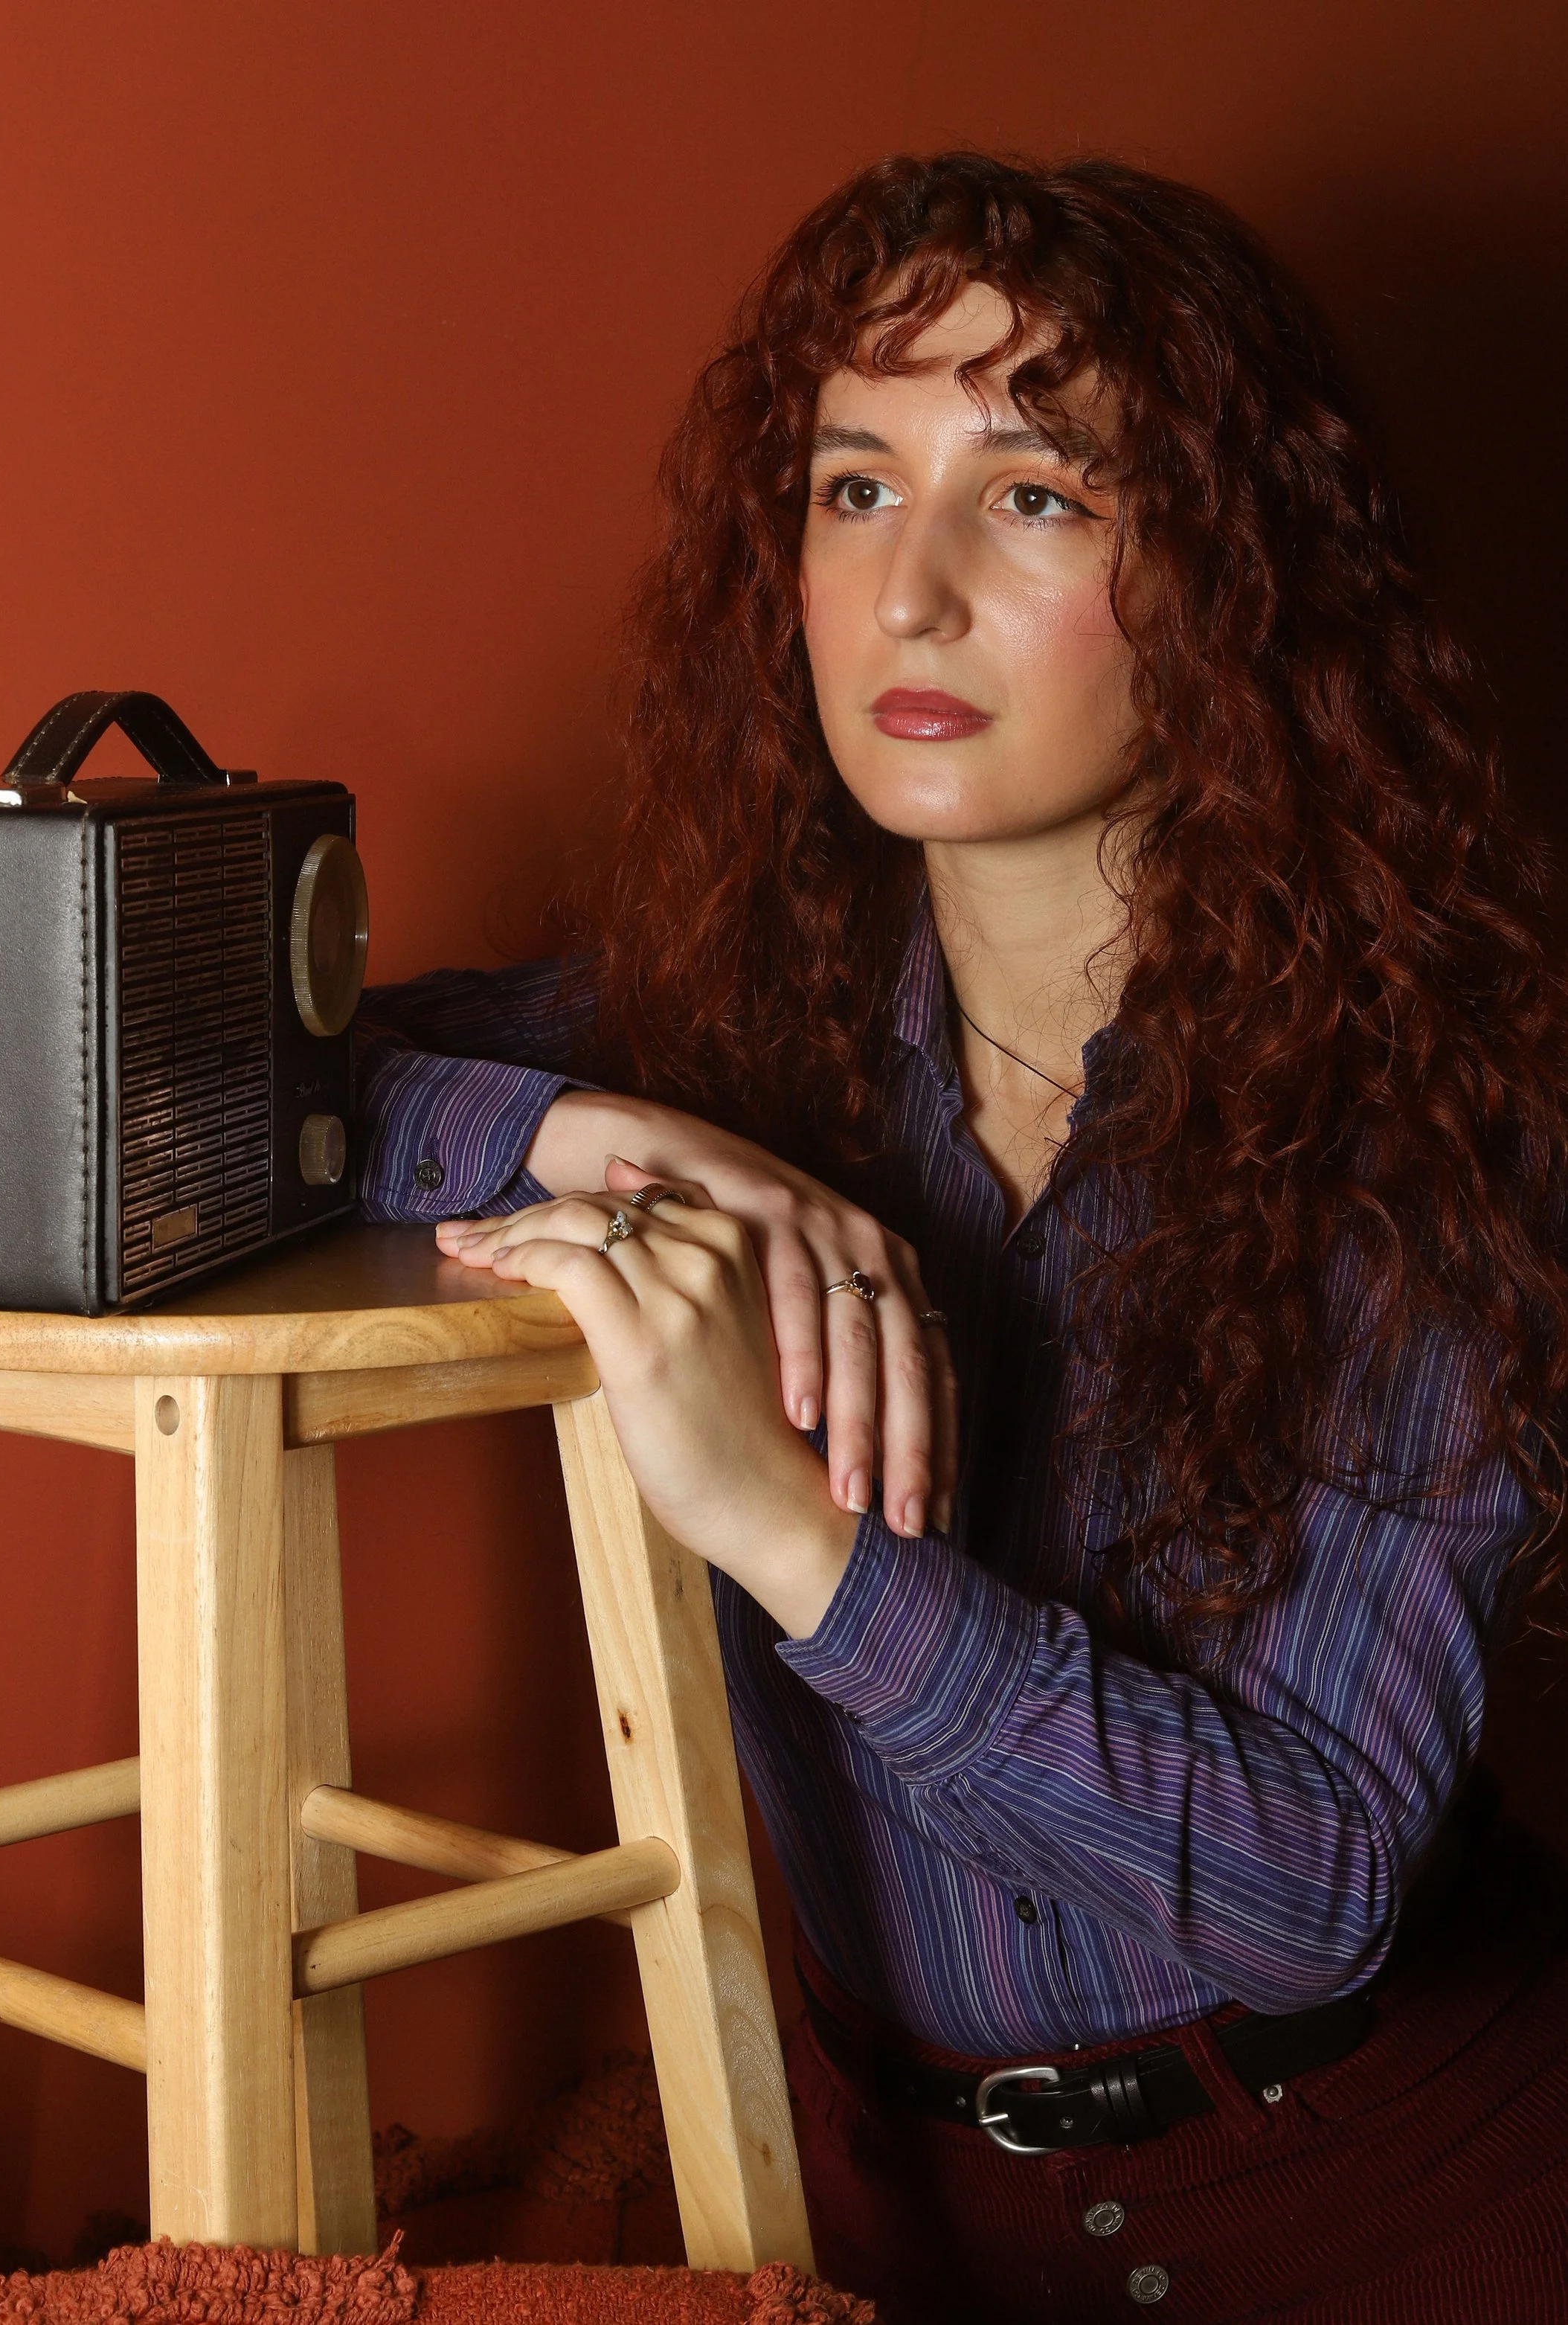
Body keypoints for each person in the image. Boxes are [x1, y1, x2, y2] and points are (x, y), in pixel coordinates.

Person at [351, 153, 1568, 2321]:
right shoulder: (730, 1031)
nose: (905, 592)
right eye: (847, 488)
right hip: (874, 2226)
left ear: (1227, 572)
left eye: (1031, 493)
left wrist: (789, 1536)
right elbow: (229, 1098)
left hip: (1405, 2209)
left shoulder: (1436, 1135)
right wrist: (597, 1122)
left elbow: (1303, 1884)